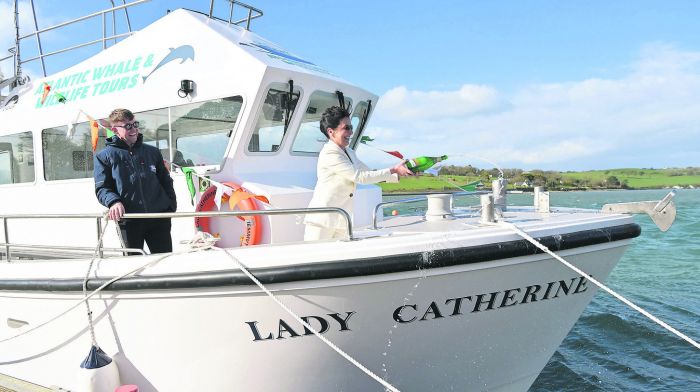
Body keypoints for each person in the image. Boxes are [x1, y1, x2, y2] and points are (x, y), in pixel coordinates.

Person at [304, 106, 413, 241]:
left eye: (351, 127)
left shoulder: (349, 152)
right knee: (316, 258)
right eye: (346, 128)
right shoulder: (330, 153)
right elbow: (359, 177)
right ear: (331, 131)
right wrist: (393, 169)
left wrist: (399, 174)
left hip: (341, 220)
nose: (351, 132)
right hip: (322, 221)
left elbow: (368, 173)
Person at [94, 108, 177, 254]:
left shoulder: (152, 152)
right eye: (127, 126)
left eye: (135, 124)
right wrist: (114, 202)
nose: (133, 129)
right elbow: (102, 188)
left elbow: (166, 180)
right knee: (132, 264)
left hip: (158, 217)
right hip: (129, 219)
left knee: (164, 261)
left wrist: (170, 205)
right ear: (115, 130)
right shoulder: (104, 156)